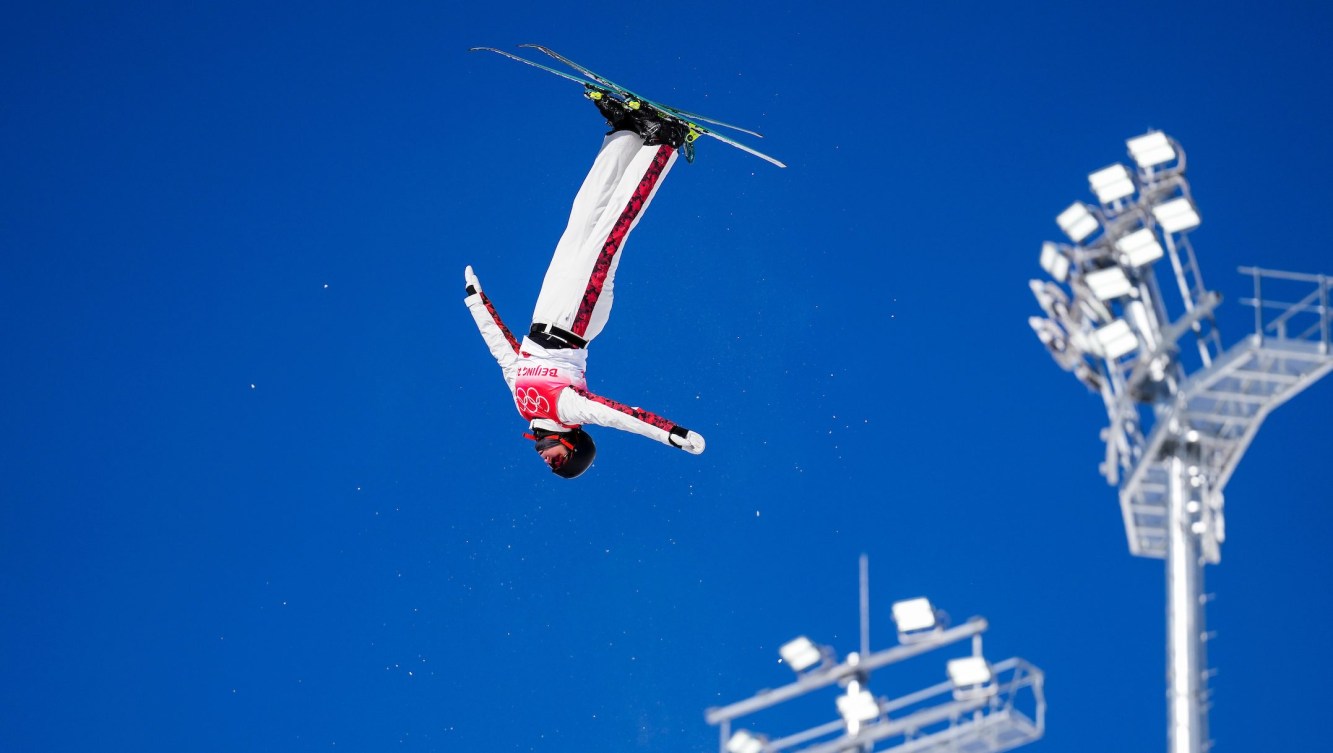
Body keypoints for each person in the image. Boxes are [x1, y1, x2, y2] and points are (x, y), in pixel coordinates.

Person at [464, 95, 707, 478]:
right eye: (559, 461)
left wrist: (476, 302)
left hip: (543, 314)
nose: (547, 459)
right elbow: (620, 416)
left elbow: (505, 354)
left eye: (549, 463)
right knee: (610, 230)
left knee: (581, 219)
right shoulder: (570, 410)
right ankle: (666, 142)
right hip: (576, 322)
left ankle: (627, 134)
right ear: (574, 445)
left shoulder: (524, 405)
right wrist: (673, 434)